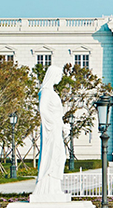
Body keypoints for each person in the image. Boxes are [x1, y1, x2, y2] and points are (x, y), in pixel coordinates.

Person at [30, 65, 69, 203]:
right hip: (51, 131)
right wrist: (55, 125)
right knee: (53, 156)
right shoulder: (45, 92)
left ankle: (54, 187)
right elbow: (43, 111)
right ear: (53, 75)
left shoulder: (51, 91)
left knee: (60, 157)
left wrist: (62, 125)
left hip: (56, 128)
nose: (60, 78)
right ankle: (47, 188)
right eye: (58, 75)